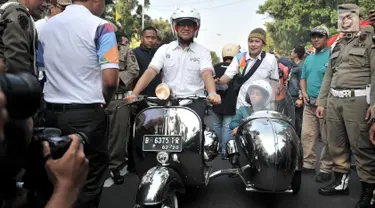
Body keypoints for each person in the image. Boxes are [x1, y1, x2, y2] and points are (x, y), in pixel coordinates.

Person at [35, 0, 119, 206]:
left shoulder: (45, 28)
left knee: (53, 180)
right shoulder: (102, 27)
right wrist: (104, 102)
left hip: (51, 116)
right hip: (87, 116)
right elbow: (110, 80)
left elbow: (38, 69)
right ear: (97, 1)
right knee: (89, 182)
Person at [315, 4, 375, 207]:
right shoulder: (337, 45)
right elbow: (329, 76)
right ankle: (341, 182)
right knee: (336, 144)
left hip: (357, 101)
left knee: (362, 147)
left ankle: (370, 189)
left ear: (360, 18)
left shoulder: (370, 40)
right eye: (342, 17)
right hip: (334, 100)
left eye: (350, 17)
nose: (345, 20)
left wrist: (374, 104)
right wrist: (322, 101)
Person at [125, 7, 221, 121]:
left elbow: (206, 74)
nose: (186, 28)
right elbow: (150, 72)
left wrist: (212, 93)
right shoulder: (165, 49)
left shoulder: (203, 52)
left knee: (196, 134)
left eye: (190, 25)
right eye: (182, 24)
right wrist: (134, 94)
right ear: (175, 27)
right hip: (166, 101)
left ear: (195, 28)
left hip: (195, 102)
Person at [0, 0, 45, 205]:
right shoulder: (16, 11)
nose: (44, 3)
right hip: (13, 108)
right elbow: (17, 64)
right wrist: (28, 110)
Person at [105, 25, 139, 184]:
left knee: (118, 136)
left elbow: (134, 70)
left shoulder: (125, 50)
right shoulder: (92, 46)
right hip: (96, 98)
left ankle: (115, 166)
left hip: (117, 98)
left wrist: (117, 78)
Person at [215, 28, 279, 110]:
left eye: (257, 41)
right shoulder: (240, 57)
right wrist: (219, 81)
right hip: (243, 105)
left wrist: (273, 103)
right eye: (251, 41)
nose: (253, 44)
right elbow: (227, 76)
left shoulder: (271, 59)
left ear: (263, 44)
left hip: (264, 107)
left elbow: (274, 83)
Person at [300, 25, 333, 182]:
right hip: (309, 104)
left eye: (319, 36)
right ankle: (308, 164)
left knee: (327, 138)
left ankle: (326, 168)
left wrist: (324, 101)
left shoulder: (333, 55)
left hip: (326, 104)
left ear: (327, 38)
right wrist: (303, 92)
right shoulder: (309, 58)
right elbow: (303, 78)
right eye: (313, 36)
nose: (316, 39)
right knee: (307, 135)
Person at [210, 43, 240, 159]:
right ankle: (225, 152)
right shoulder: (237, 69)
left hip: (216, 103)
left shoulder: (215, 67)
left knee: (216, 125)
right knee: (228, 128)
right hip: (231, 105)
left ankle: (215, 149)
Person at [35, 0, 72, 83]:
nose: (66, 12)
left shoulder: (67, 26)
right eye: (63, 9)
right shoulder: (39, 26)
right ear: (52, 8)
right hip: (43, 78)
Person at [133, 26, 161, 97]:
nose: (150, 40)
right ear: (142, 38)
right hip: (140, 96)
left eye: (153, 38)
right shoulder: (134, 53)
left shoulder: (160, 53)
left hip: (160, 95)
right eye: (147, 37)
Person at [289, 46, 305, 138]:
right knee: (293, 119)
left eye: (292, 51)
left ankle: (300, 142)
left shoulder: (301, 66)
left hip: (297, 97)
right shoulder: (294, 65)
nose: (291, 53)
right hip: (291, 96)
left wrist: (300, 98)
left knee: (298, 120)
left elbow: (302, 82)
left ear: (295, 54)